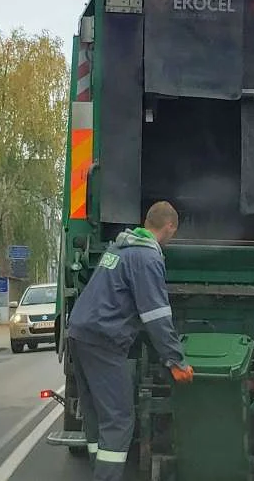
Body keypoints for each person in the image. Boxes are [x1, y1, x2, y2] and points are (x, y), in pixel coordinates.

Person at [66, 201, 194, 481]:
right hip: (103, 340)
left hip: (80, 332)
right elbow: (156, 315)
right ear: (170, 227)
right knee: (119, 419)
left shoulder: (120, 247)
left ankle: (99, 471)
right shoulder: (147, 257)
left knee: (96, 416)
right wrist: (175, 359)